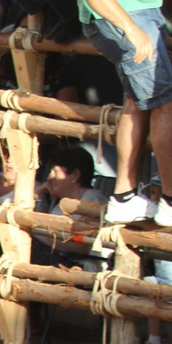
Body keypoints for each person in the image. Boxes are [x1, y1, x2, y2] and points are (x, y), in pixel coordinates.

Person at [79, 0, 172, 225]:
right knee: (164, 102)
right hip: (126, 17)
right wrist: (129, 27)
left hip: (137, 14)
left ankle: (125, 197)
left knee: (138, 103)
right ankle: (169, 200)